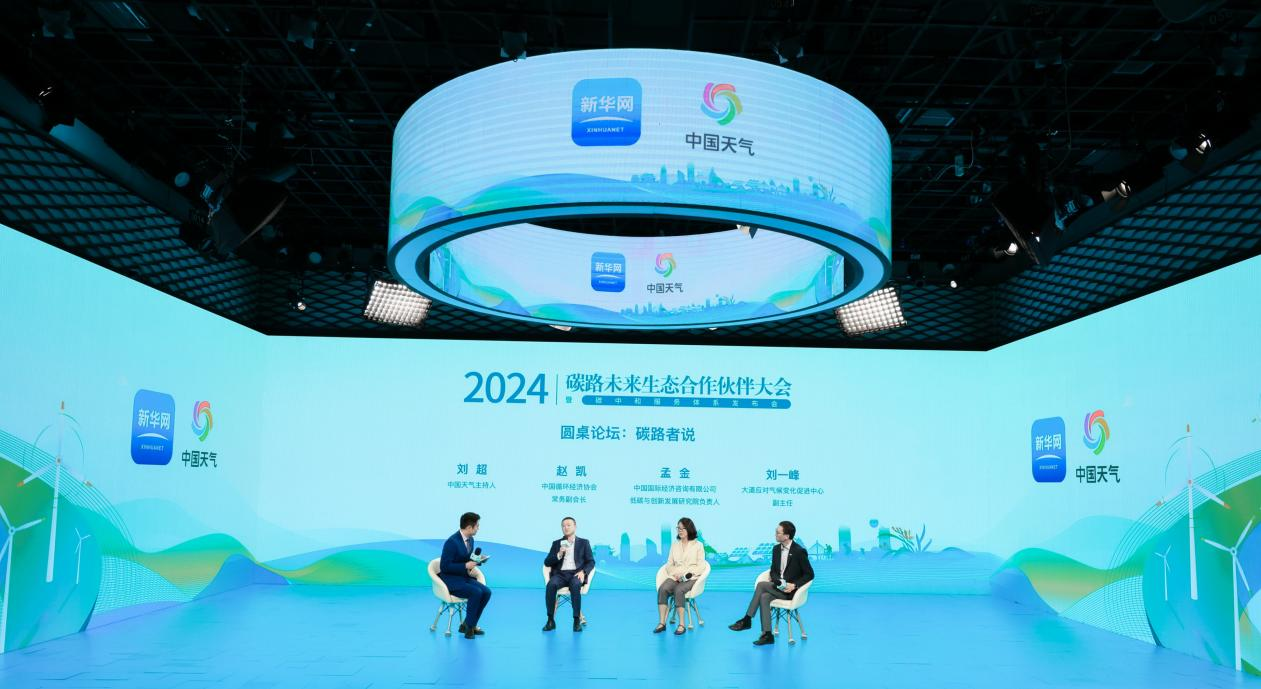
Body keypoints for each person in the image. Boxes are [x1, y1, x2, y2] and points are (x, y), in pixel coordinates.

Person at [728, 520, 814, 646]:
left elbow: (809, 574)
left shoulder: (799, 551)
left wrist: (794, 585)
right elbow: (773, 571)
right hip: (778, 587)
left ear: (787, 536)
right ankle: (767, 635)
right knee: (764, 597)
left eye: (778, 533)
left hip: (791, 592)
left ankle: (747, 619)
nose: (775, 535)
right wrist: (777, 581)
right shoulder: (776, 549)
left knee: (761, 585)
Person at [439, 512, 492, 639]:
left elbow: (466, 558)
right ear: (469, 527)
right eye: (477, 526)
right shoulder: (451, 542)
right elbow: (444, 566)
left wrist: (478, 560)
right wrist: (465, 566)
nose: (478, 528)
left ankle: (468, 624)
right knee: (476, 592)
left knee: (486, 592)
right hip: (451, 580)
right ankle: (469, 627)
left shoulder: (470, 539)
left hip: (463, 577)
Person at [542, 516, 595, 632]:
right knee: (551, 585)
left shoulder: (584, 543)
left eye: (568, 525)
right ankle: (550, 621)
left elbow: (591, 562)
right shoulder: (556, 543)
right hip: (560, 574)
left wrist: (583, 572)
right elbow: (547, 562)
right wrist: (559, 554)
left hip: (576, 574)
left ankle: (576, 621)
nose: (565, 528)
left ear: (575, 527)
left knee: (575, 585)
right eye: (563, 526)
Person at [655, 517, 705, 635]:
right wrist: (675, 574)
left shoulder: (698, 545)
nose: (680, 530)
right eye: (678, 528)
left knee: (679, 590)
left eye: (683, 528)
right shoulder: (675, 545)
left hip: (691, 577)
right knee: (663, 589)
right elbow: (669, 564)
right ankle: (662, 623)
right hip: (675, 576)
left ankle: (682, 624)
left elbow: (701, 566)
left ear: (689, 529)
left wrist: (686, 575)